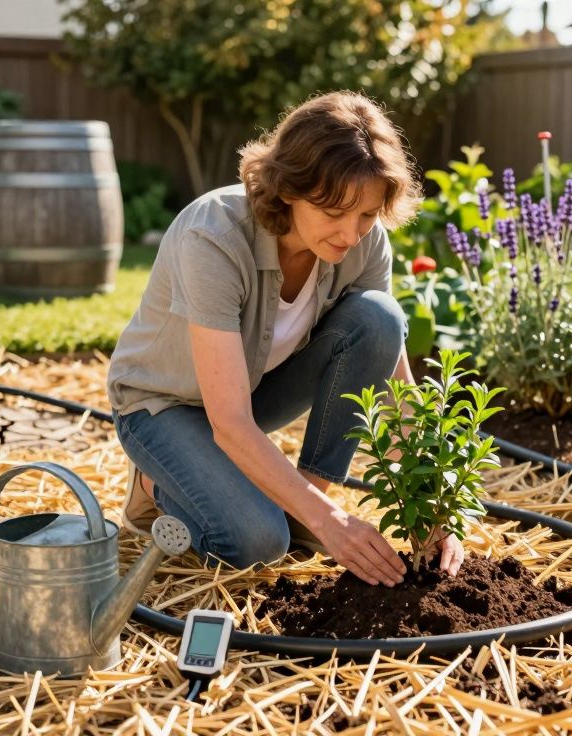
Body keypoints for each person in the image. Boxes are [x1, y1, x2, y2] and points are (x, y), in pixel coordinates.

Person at [107, 91, 464, 586]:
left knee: (380, 317)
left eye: (365, 214)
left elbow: (394, 385)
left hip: (253, 391)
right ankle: (155, 482)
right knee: (257, 544)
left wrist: (429, 510)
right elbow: (229, 422)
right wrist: (332, 522)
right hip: (162, 407)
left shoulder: (365, 242)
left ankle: (302, 503)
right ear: (290, 188)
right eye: (334, 211)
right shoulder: (213, 237)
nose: (350, 233)